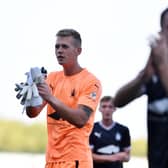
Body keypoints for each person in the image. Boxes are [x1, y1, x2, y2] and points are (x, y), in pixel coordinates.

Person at [26, 29, 102, 168]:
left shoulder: (91, 81)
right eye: (57, 46)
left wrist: (49, 97)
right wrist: (31, 96)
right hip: (51, 160)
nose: (59, 50)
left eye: (65, 46)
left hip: (76, 160)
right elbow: (32, 113)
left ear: (78, 51)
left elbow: (80, 119)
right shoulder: (52, 77)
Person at [114, 8, 168, 168]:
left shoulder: (162, 68)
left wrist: (163, 66)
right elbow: (118, 101)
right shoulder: (155, 74)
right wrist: (143, 77)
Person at [89, 96, 131, 168]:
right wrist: (113, 157)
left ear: (115, 109)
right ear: (99, 109)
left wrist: (123, 157)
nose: (107, 109)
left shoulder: (123, 129)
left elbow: (127, 157)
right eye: (104, 106)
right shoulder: (92, 128)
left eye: (110, 107)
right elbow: (89, 156)